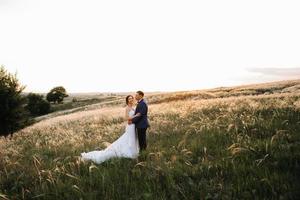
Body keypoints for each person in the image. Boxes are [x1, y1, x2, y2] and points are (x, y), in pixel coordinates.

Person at [80, 95, 140, 164]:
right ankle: (128, 152)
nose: (131, 100)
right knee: (129, 138)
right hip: (130, 126)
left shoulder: (133, 107)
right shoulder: (127, 108)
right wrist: (136, 115)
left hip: (133, 125)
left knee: (133, 138)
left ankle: (133, 151)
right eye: (129, 99)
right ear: (127, 100)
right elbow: (126, 118)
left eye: (132, 98)